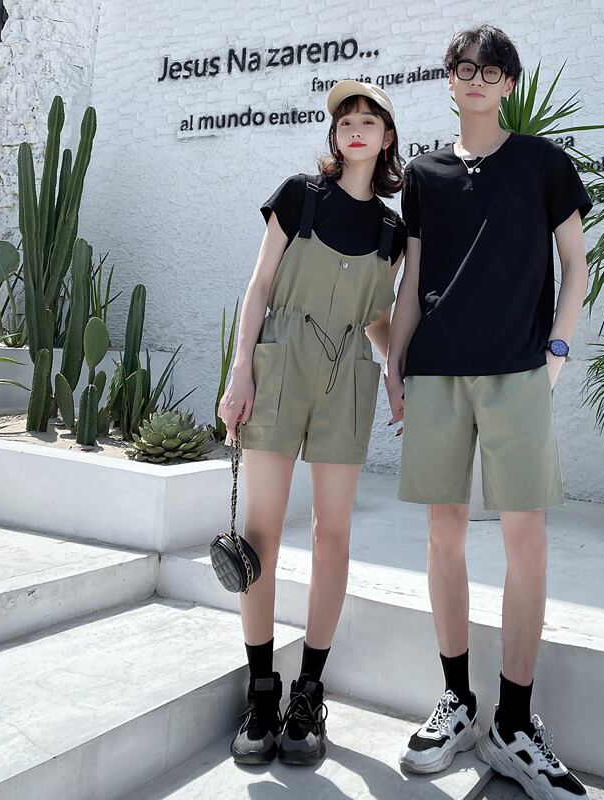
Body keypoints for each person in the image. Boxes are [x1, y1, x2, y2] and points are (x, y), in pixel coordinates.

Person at [386, 25, 592, 799]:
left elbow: (576, 264)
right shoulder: (424, 176)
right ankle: (457, 701)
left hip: (518, 371)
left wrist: (557, 353)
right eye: (464, 67)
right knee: (443, 534)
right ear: (449, 79)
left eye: (491, 69)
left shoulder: (543, 163)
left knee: (524, 537)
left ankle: (513, 722)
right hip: (437, 369)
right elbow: (412, 283)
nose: (477, 78)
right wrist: (394, 364)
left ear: (508, 83)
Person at [217, 79, 406, 767]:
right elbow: (260, 285)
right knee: (261, 533)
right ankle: (262, 691)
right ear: (335, 135)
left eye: (368, 121)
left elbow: (378, 318)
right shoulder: (299, 195)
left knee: (333, 535)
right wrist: (241, 368)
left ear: (386, 138)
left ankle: (308, 694)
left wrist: (395, 373)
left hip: (347, 376)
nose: (354, 129)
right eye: (345, 120)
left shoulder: (392, 231)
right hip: (278, 363)